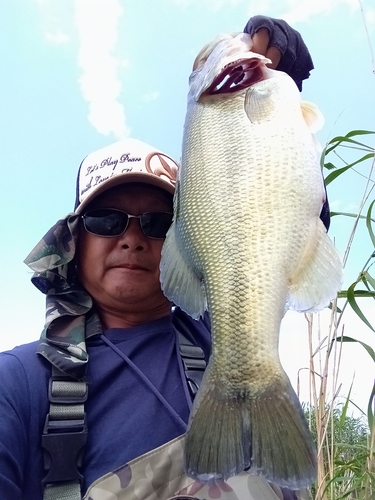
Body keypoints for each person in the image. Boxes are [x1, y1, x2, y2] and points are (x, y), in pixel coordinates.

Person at [0, 16, 327, 500]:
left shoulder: (225, 331)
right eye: (107, 220)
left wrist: (282, 94)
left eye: (156, 223)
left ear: (184, 238)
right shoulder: (18, 385)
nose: (132, 239)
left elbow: (276, 222)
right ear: (74, 242)